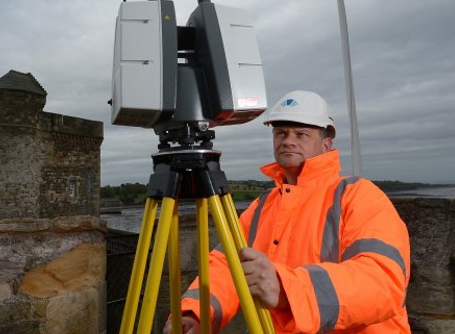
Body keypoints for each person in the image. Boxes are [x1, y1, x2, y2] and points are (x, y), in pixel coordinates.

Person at [164, 90, 411, 333]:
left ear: (326, 144)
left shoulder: (359, 195)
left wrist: (285, 288)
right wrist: (195, 314)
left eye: (302, 134)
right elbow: (226, 267)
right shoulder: (263, 206)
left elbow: (383, 281)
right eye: (281, 133)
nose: (288, 140)